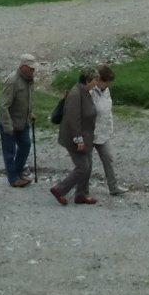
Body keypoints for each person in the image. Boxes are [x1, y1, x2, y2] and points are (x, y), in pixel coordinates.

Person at [51, 68, 100, 206]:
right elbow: (73, 119)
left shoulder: (85, 92)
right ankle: (59, 190)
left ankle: (81, 194)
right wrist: (78, 139)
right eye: (95, 80)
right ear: (87, 80)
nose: (96, 83)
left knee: (88, 164)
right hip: (75, 138)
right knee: (83, 167)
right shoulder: (76, 94)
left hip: (86, 136)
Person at [0, 54, 37, 187]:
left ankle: (18, 169)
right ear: (23, 66)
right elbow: (4, 105)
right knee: (9, 152)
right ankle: (13, 179)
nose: (33, 70)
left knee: (26, 145)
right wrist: (8, 126)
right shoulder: (13, 81)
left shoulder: (29, 80)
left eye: (33, 68)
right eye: (30, 68)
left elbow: (28, 99)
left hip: (23, 121)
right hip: (9, 122)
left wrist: (30, 113)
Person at [91, 65, 128, 195]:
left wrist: (109, 127)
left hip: (102, 131)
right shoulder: (90, 91)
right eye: (106, 82)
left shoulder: (106, 91)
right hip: (89, 132)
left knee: (108, 158)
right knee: (85, 164)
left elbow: (108, 111)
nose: (108, 85)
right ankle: (80, 189)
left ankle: (113, 187)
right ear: (99, 80)